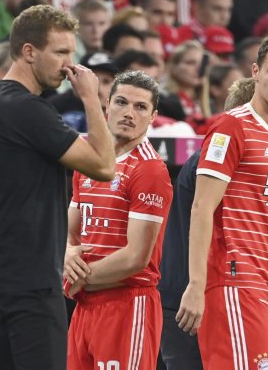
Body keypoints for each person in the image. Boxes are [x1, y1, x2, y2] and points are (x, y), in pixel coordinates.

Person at [0, 4, 115, 370]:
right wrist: (91, 98)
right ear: (29, 52)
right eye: (61, 52)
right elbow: (104, 165)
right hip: (30, 280)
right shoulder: (25, 109)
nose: (70, 65)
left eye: (72, 53)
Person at [176, 31, 268, 369]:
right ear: (255, 72)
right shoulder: (230, 127)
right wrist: (196, 284)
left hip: (260, 288)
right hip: (232, 281)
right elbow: (202, 207)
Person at [64, 70, 173, 370]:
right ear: (107, 105)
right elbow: (69, 231)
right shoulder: (87, 163)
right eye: (122, 102)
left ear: (153, 117)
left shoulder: (149, 170)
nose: (129, 113)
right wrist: (66, 255)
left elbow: (136, 257)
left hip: (127, 304)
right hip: (86, 306)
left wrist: (78, 278)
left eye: (140, 107)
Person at [158, 75, 256, 370]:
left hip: (203, 294)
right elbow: (204, 215)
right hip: (191, 297)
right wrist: (196, 287)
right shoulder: (212, 158)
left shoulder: (241, 161)